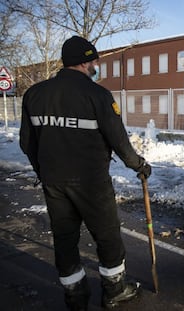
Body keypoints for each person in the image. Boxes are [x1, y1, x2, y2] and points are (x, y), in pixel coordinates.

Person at [19, 35, 151, 310]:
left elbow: (26, 142)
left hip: (54, 182)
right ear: (84, 62)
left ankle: (75, 294)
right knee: (107, 235)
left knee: (65, 238)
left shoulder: (35, 94)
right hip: (91, 182)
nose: (96, 66)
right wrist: (139, 165)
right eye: (94, 61)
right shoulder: (97, 95)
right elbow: (119, 141)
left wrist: (44, 171)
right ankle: (115, 290)